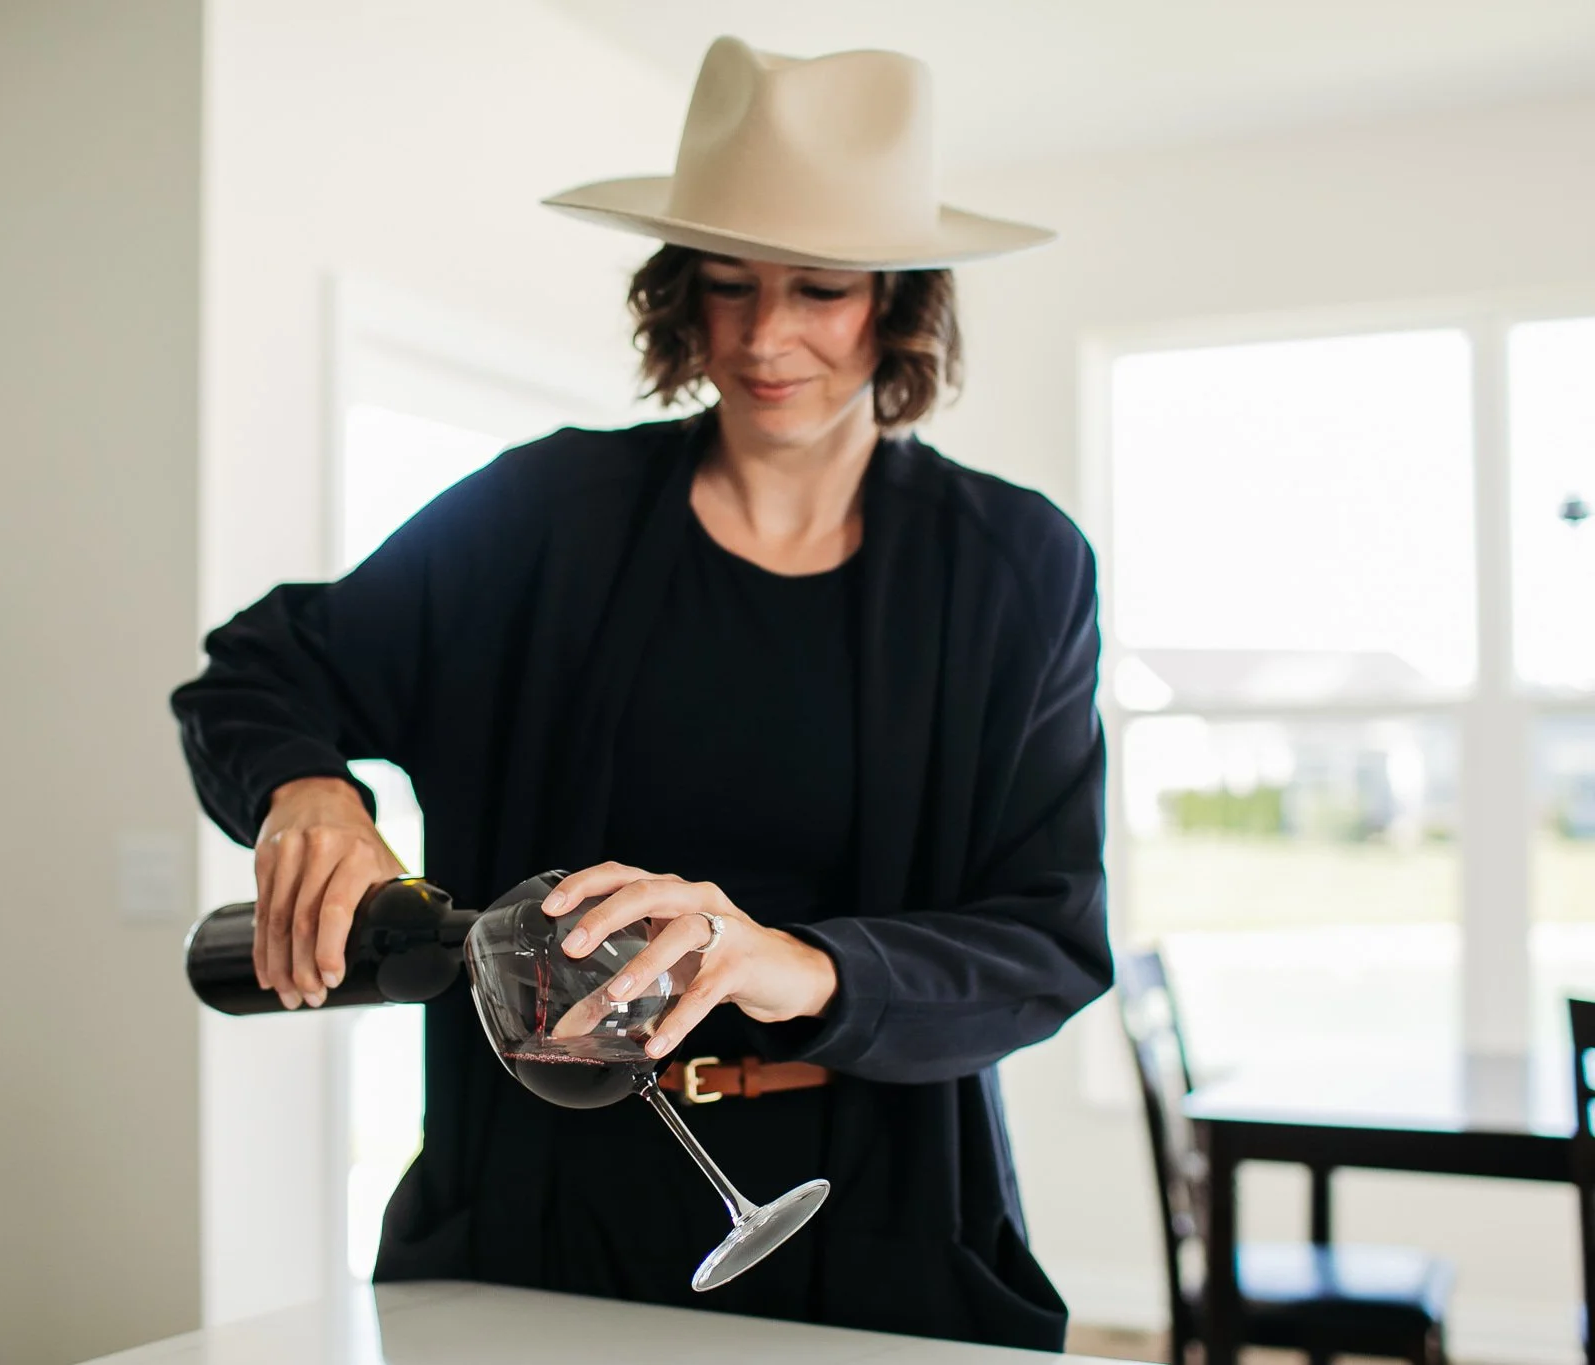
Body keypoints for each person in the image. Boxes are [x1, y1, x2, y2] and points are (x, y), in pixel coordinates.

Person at [170, 35, 1110, 1349]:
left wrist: (789, 964)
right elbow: (261, 668)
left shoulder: (1015, 569)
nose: (766, 336)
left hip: (886, 1201)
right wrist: (306, 792)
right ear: (680, 294)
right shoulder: (543, 518)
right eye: (727, 285)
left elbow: (1047, 945)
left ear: (896, 306)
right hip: (531, 1202)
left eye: (820, 290)